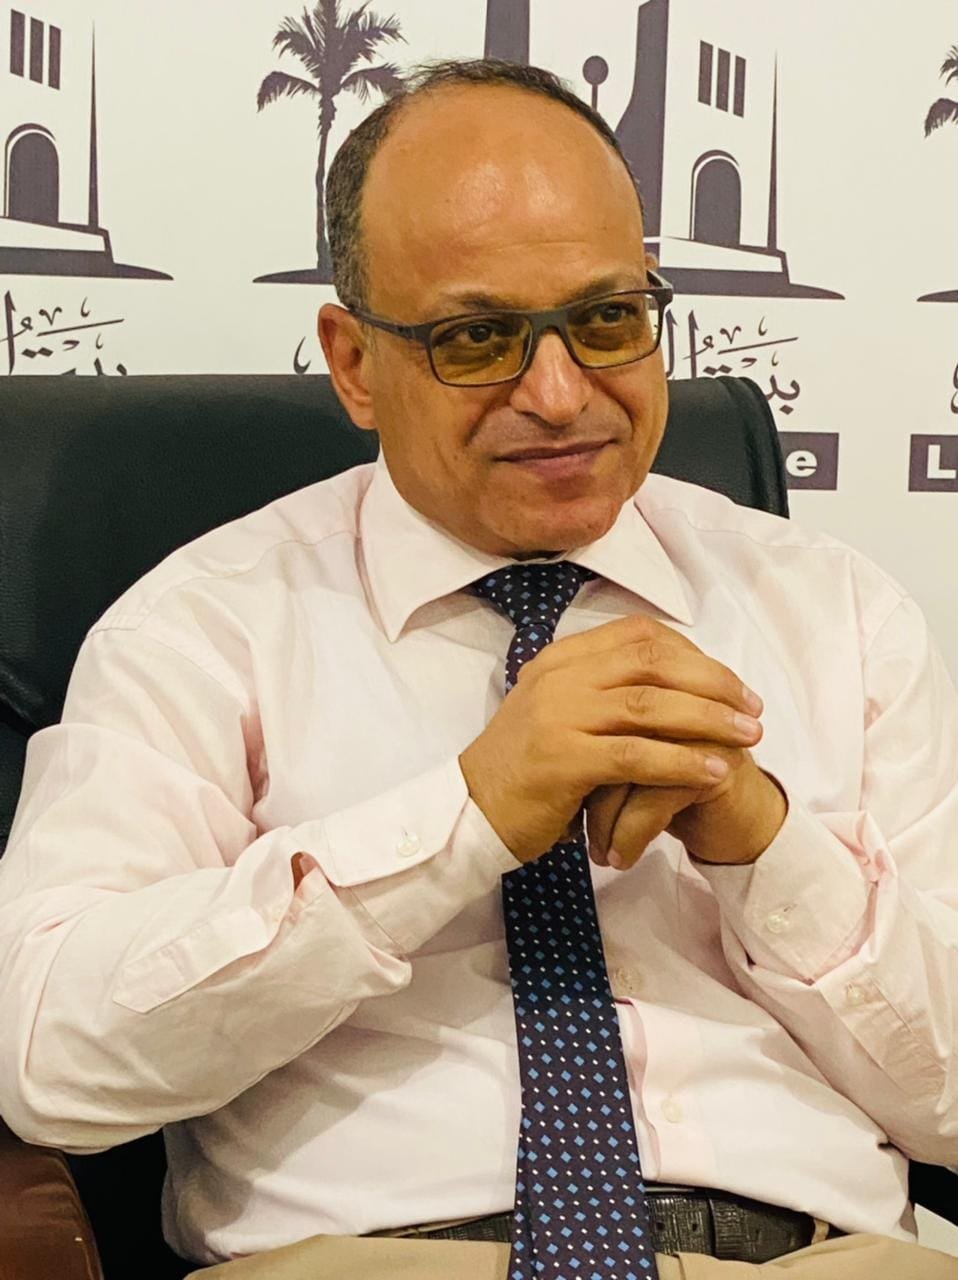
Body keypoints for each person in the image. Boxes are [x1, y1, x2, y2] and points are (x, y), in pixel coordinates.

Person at [0, 59, 956, 1280]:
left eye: (606, 320)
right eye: (477, 337)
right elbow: (49, 1061)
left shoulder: (835, 611)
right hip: (374, 1261)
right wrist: (461, 819)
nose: (559, 395)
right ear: (355, 362)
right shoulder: (205, 626)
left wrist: (770, 846)